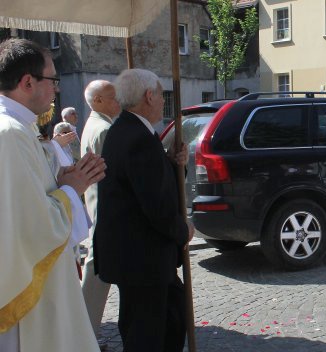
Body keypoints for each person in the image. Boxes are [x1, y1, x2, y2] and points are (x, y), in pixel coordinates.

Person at [0, 38, 105, 352]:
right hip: (27, 304)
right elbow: (31, 228)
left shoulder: (19, 129)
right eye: (53, 80)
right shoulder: (11, 134)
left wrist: (61, 183)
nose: (56, 88)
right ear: (28, 82)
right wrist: (73, 190)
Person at [94, 68, 194, 352]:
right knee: (149, 335)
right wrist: (182, 230)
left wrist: (175, 164)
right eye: (162, 95)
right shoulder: (138, 137)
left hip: (136, 257)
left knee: (170, 316)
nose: (163, 102)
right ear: (149, 96)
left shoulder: (126, 129)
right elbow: (156, 204)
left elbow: (148, 181)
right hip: (142, 258)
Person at [80, 80, 122, 342]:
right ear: (97, 101)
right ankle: (83, 335)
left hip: (100, 208)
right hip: (107, 212)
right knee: (97, 273)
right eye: (112, 97)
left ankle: (84, 332)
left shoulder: (95, 124)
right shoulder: (104, 129)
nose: (118, 101)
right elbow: (114, 176)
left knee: (98, 271)